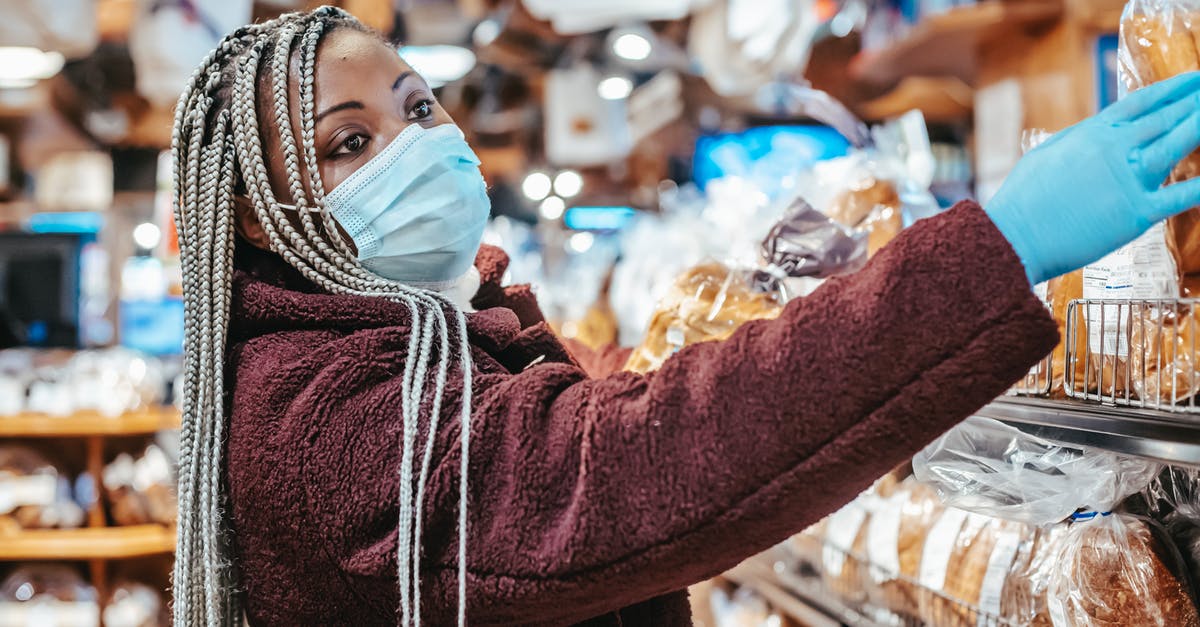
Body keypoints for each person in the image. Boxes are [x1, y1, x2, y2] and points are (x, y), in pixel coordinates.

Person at [170, 6, 1200, 627]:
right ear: (258, 217)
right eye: (349, 144)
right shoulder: (320, 423)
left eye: (418, 106)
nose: (412, 146)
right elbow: (615, 469)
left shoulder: (426, 336)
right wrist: (999, 245)